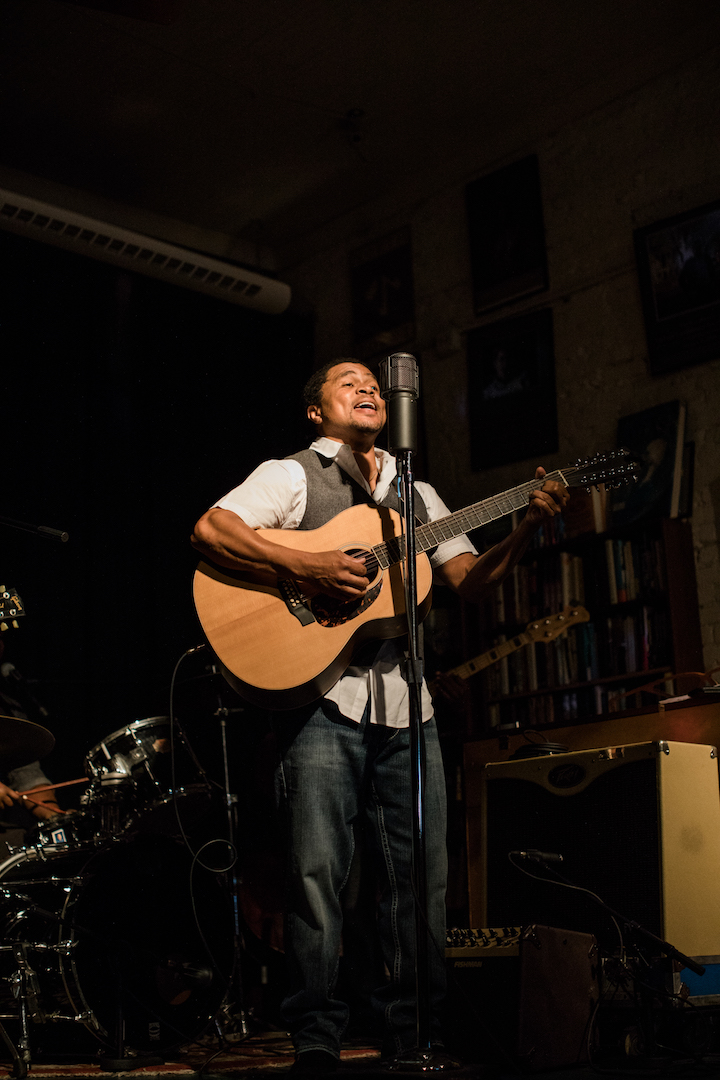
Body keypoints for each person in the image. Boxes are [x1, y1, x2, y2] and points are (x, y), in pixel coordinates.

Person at [191, 359, 569, 1073]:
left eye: (372, 382)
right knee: (317, 875)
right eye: (347, 381)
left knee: (422, 879)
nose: (366, 387)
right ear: (316, 410)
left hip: (408, 704)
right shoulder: (293, 475)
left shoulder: (415, 491)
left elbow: (467, 580)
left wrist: (525, 528)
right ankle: (316, 1037)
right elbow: (213, 529)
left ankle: (413, 1032)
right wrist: (304, 566)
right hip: (322, 700)